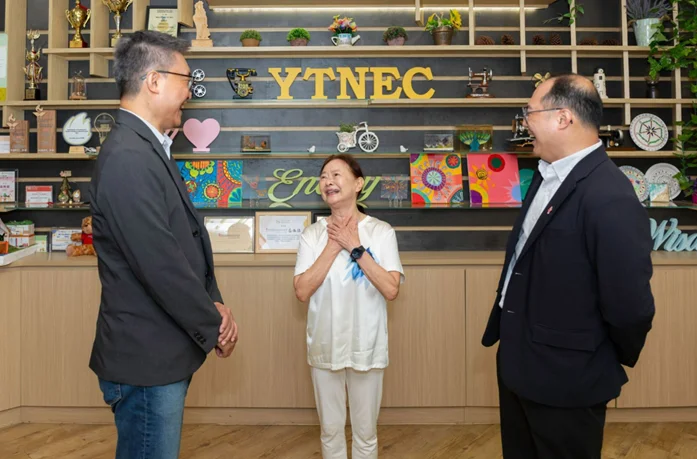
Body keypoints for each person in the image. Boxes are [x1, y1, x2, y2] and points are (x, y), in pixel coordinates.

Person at [482, 74, 655, 459]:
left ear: (563, 118)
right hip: (520, 367)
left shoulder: (609, 195)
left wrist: (596, 355)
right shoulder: (547, 175)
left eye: (529, 112)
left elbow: (631, 307)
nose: (524, 122)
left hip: (567, 379)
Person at [88, 31, 238, 459]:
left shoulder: (146, 147)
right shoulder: (128, 157)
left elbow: (185, 239)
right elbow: (159, 264)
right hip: (146, 361)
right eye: (185, 79)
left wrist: (214, 302)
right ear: (153, 81)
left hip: (159, 352)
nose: (189, 92)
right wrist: (213, 322)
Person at [294, 154, 405, 459]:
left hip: (366, 344)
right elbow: (302, 290)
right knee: (330, 430)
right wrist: (334, 244)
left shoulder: (381, 232)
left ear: (358, 184)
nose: (328, 181)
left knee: (365, 433)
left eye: (336, 175)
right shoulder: (312, 235)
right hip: (324, 343)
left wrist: (354, 246)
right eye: (323, 176)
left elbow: (391, 289)